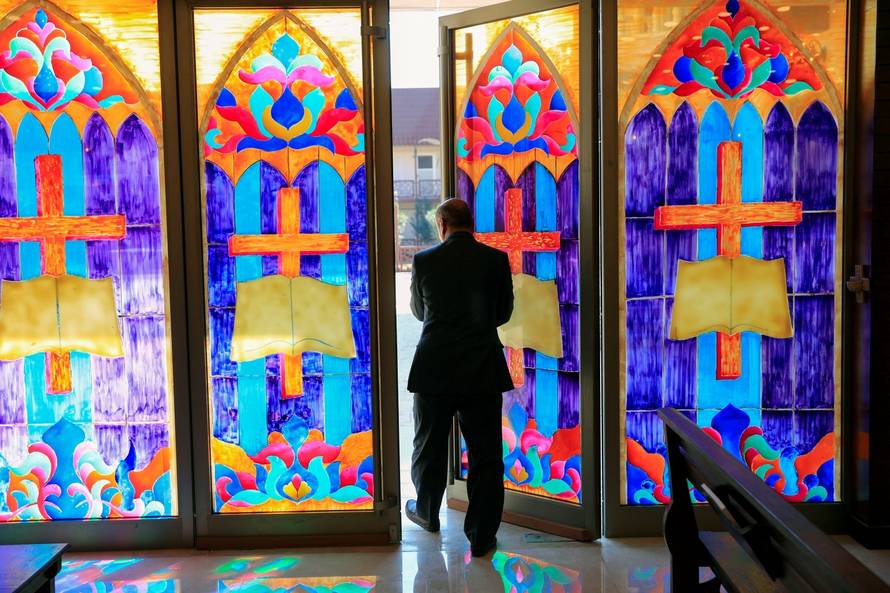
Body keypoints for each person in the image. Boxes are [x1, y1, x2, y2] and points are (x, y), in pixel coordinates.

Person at [405, 198, 514, 558]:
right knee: (486, 456)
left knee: (429, 447)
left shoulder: (424, 261)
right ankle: (482, 536)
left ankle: (426, 512)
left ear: (441, 224)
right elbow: (503, 312)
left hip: (434, 366)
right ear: (471, 224)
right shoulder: (495, 261)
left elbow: (420, 311)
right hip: (482, 368)